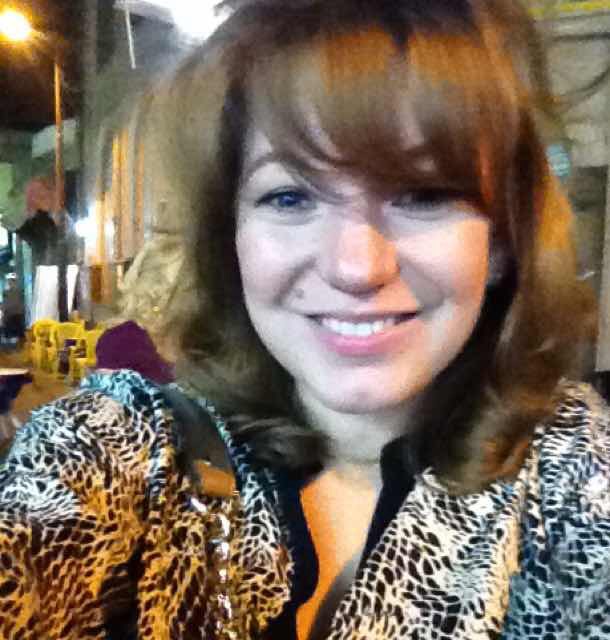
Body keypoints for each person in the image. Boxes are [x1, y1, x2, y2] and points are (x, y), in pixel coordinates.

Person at [0, 1, 607, 639]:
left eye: (424, 194)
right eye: (290, 196)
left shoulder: (573, 477)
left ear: (502, 238)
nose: (357, 267)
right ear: (229, 238)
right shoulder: (121, 452)